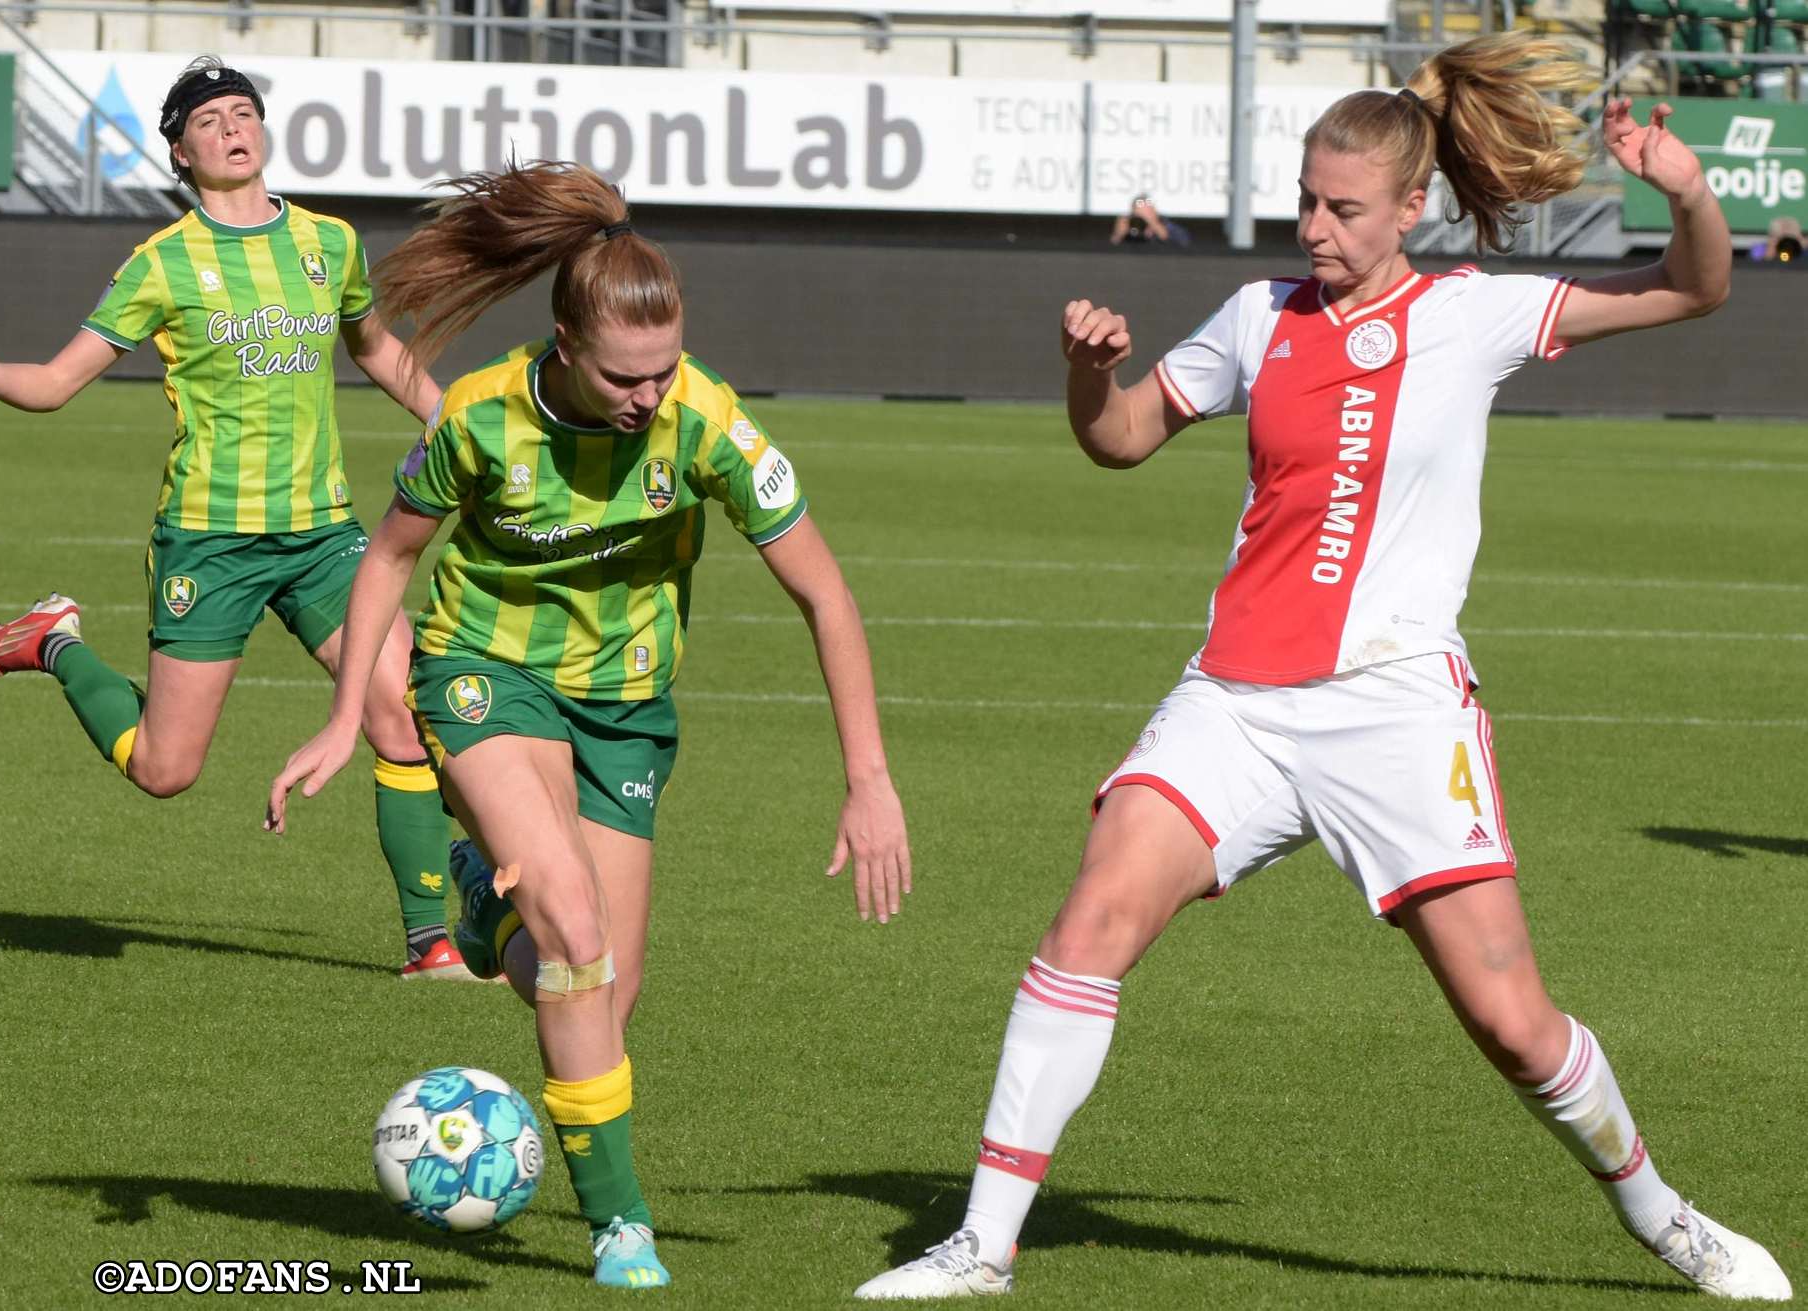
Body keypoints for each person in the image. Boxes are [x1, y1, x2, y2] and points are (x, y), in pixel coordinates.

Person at [856, 35, 1792, 1302]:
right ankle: (983, 1245)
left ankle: (1664, 1218)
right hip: (1234, 703)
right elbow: (1122, 439)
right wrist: (1090, 376)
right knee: (1090, 924)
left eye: (1343, 208)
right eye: (1305, 199)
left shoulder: (1474, 313)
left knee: (1512, 1023)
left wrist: (1686, 191)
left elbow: (1694, 290)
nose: (1314, 227)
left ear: (1411, 209)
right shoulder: (1257, 317)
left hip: (1395, 711)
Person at [263, 160, 911, 1288]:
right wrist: (340, 713)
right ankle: (620, 1224)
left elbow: (827, 594)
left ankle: (485, 904)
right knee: (573, 932)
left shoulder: (702, 419)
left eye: (664, 371)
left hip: (626, 715)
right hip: (483, 678)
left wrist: (869, 779)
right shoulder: (478, 418)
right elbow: (392, 555)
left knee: (600, 996)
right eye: (626, 376)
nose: (649, 396)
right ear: (564, 346)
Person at [0, 58, 470, 980]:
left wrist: (453, 417)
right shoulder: (162, 262)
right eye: (210, 119)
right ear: (182, 152)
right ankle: (53, 642)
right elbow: (58, 383)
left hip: (325, 539)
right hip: (209, 544)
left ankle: (430, 944)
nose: (232, 126)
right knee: (165, 770)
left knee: (401, 719)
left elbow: (375, 349)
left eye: (243, 111)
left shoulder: (330, 243)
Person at [1109, 193, 1190, 248]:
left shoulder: (1166, 224)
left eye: (1148, 211)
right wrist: (1119, 233)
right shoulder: (1130, 225)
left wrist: (1153, 223)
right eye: (1140, 212)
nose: (1144, 216)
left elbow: (1183, 241)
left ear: (1154, 211)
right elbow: (1113, 245)